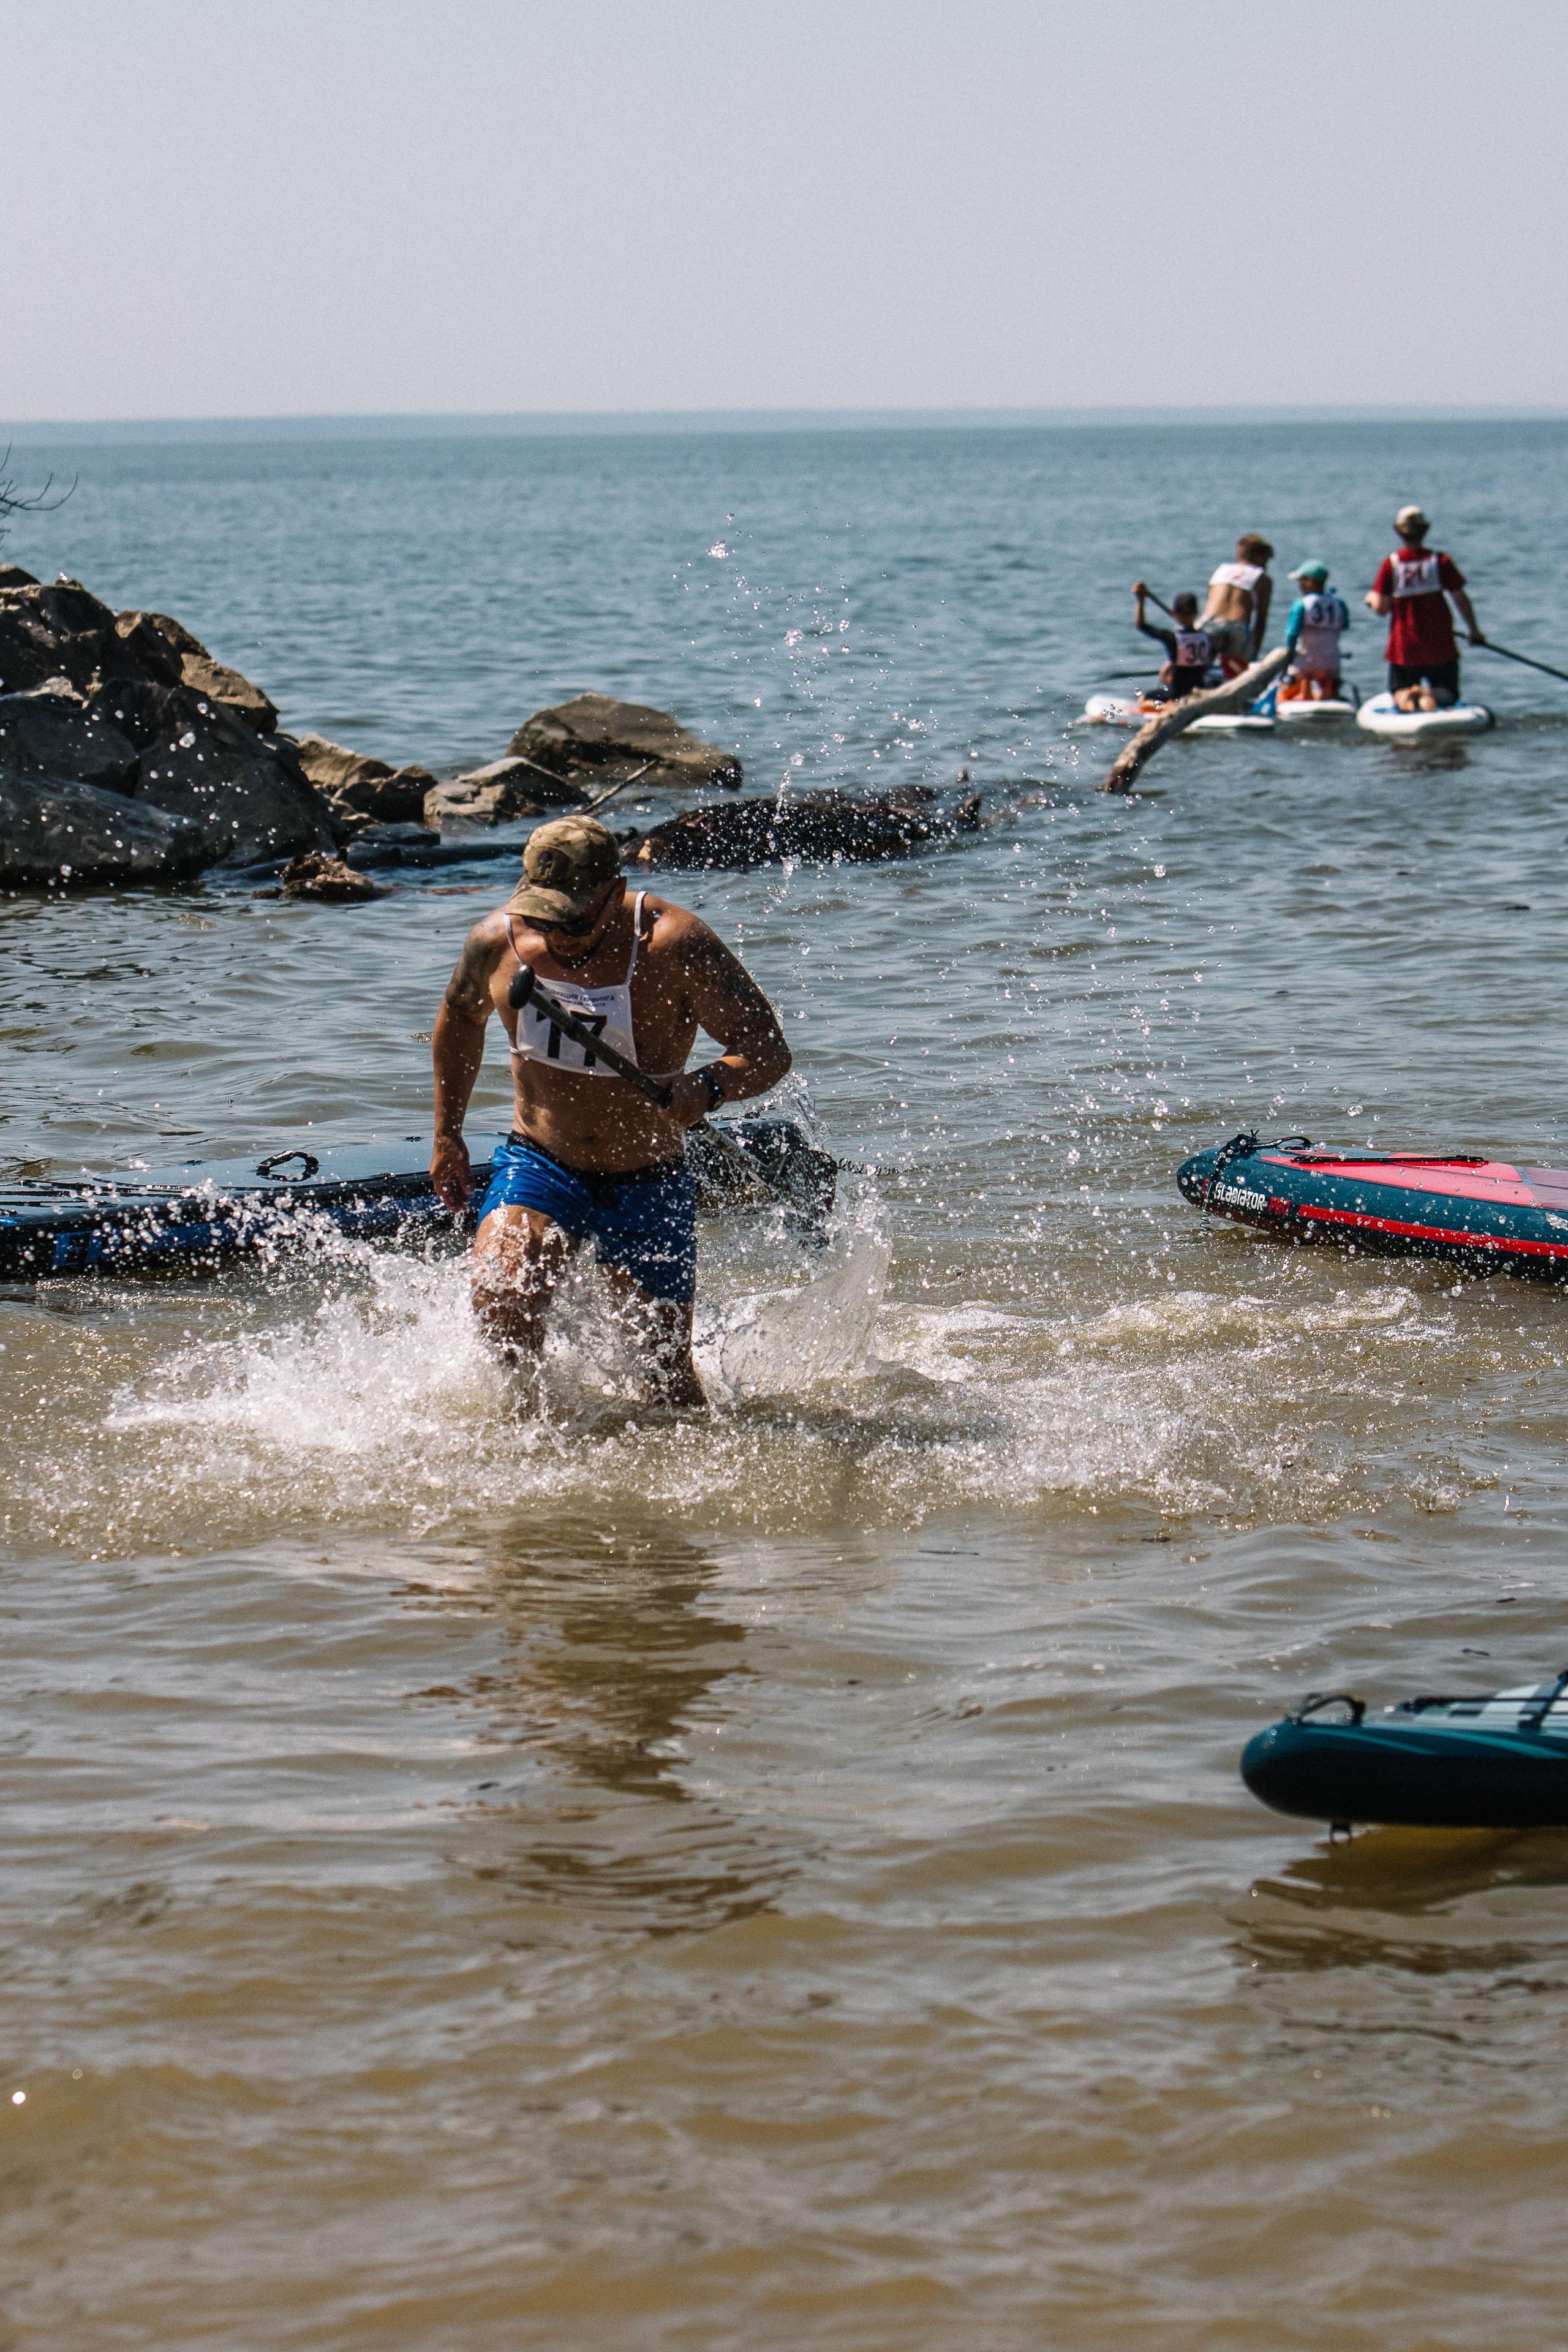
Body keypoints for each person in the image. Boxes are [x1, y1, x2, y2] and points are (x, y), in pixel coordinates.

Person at [430, 814, 793, 1409]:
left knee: (664, 1386)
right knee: (501, 1300)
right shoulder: (497, 942)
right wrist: (448, 1134)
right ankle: (539, 1453)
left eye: (574, 919)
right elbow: (460, 1020)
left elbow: (767, 1050)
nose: (560, 936)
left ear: (615, 890)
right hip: (543, 1162)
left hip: (647, 1178)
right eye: (545, 915)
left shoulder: (676, 944)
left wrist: (705, 1088)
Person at [1364, 505, 1483, 707]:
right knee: (1447, 693)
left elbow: (1382, 610)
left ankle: (1408, 697)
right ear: (1426, 529)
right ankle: (1430, 697)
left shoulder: (1391, 564)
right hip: (1440, 646)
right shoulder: (1440, 561)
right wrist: (1474, 631)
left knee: (1399, 692)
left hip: (1404, 649)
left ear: (1398, 531)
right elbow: (1460, 599)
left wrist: (1371, 598)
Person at [1199, 535, 1275, 672]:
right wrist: (1252, 658)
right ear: (1258, 556)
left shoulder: (1221, 571)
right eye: (1266, 559)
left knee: (1196, 667)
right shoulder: (1262, 578)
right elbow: (1260, 621)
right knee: (1237, 672)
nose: (1266, 565)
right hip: (1236, 626)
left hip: (1208, 623)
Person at [1130, 583, 1213, 701]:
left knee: (1145, 696)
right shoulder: (1206, 636)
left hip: (1177, 695)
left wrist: (1141, 600)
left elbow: (1141, 626)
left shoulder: (1172, 638)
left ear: (1175, 613)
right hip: (1200, 691)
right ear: (1196, 613)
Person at [1280, 561, 1349, 701]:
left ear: (1310, 581)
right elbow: (1345, 625)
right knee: (1329, 685)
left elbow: (1292, 634)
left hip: (1305, 662)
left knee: (1291, 684)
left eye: (1301, 580)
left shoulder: (1301, 604)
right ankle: (1328, 695)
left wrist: (1290, 654)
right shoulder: (1339, 604)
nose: (1299, 584)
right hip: (1331, 661)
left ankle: (1304, 694)